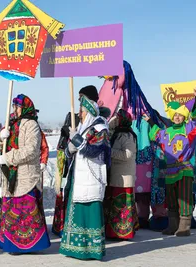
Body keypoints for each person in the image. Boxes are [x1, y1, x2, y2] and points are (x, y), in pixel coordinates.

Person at [144, 85, 196, 237]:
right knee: (171, 198)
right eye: (174, 115)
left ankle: (184, 226)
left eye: (180, 114)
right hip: (170, 171)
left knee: (184, 197)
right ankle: (173, 225)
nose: (177, 117)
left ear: (184, 116)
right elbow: (156, 135)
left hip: (184, 170)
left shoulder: (188, 129)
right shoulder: (166, 132)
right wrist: (150, 121)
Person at [0, 94, 50, 254]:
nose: (15, 109)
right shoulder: (10, 124)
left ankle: (31, 244)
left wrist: (8, 157)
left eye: (17, 106)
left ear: (25, 108)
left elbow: (31, 150)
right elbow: (1, 146)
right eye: (14, 106)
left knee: (25, 211)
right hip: (10, 176)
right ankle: (11, 244)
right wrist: (0, 137)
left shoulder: (31, 125)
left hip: (25, 175)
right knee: (11, 211)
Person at [59, 95, 110, 260]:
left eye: (81, 111)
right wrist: (70, 147)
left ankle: (91, 249)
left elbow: (93, 151)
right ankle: (75, 247)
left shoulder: (100, 128)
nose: (79, 114)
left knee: (90, 211)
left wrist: (77, 140)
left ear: (88, 112)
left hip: (91, 176)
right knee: (77, 211)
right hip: (79, 176)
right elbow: (70, 152)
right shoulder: (83, 128)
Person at [105, 109, 138, 240]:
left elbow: (127, 154)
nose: (116, 120)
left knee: (122, 206)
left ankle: (123, 232)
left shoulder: (128, 136)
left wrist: (109, 151)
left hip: (124, 177)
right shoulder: (117, 134)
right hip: (117, 175)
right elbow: (109, 125)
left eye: (119, 118)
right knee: (115, 206)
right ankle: (114, 231)